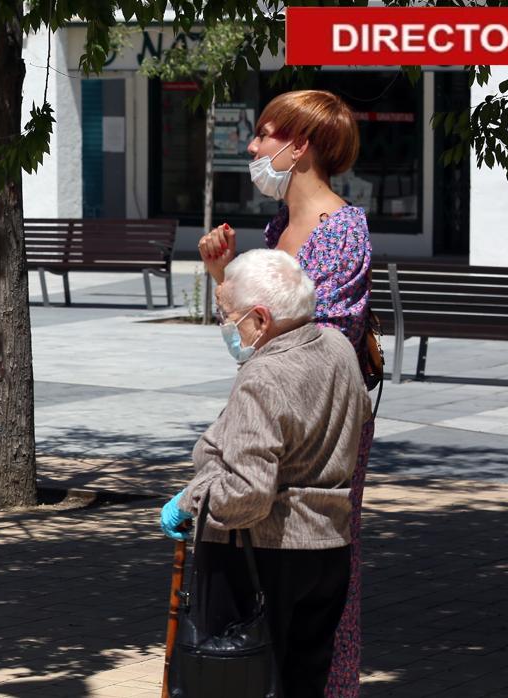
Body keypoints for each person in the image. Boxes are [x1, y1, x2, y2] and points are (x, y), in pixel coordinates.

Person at [196, 89, 372, 697]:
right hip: (274, 408)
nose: (253, 145)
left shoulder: (343, 230)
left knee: (306, 570)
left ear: (301, 146)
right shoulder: (279, 226)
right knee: (263, 565)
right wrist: (225, 278)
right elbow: (263, 328)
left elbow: (308, 343)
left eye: (266, 133)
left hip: (314, 419)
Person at [160, 249, 371, 697]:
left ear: (260, 319)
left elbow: (245, 496)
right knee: (303, 683)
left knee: (238, 681)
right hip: (327, 548)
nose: (225, 326)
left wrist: (192, 500)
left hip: (263, 555)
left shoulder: (264, 375)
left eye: (227, 315)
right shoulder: (335, 346)